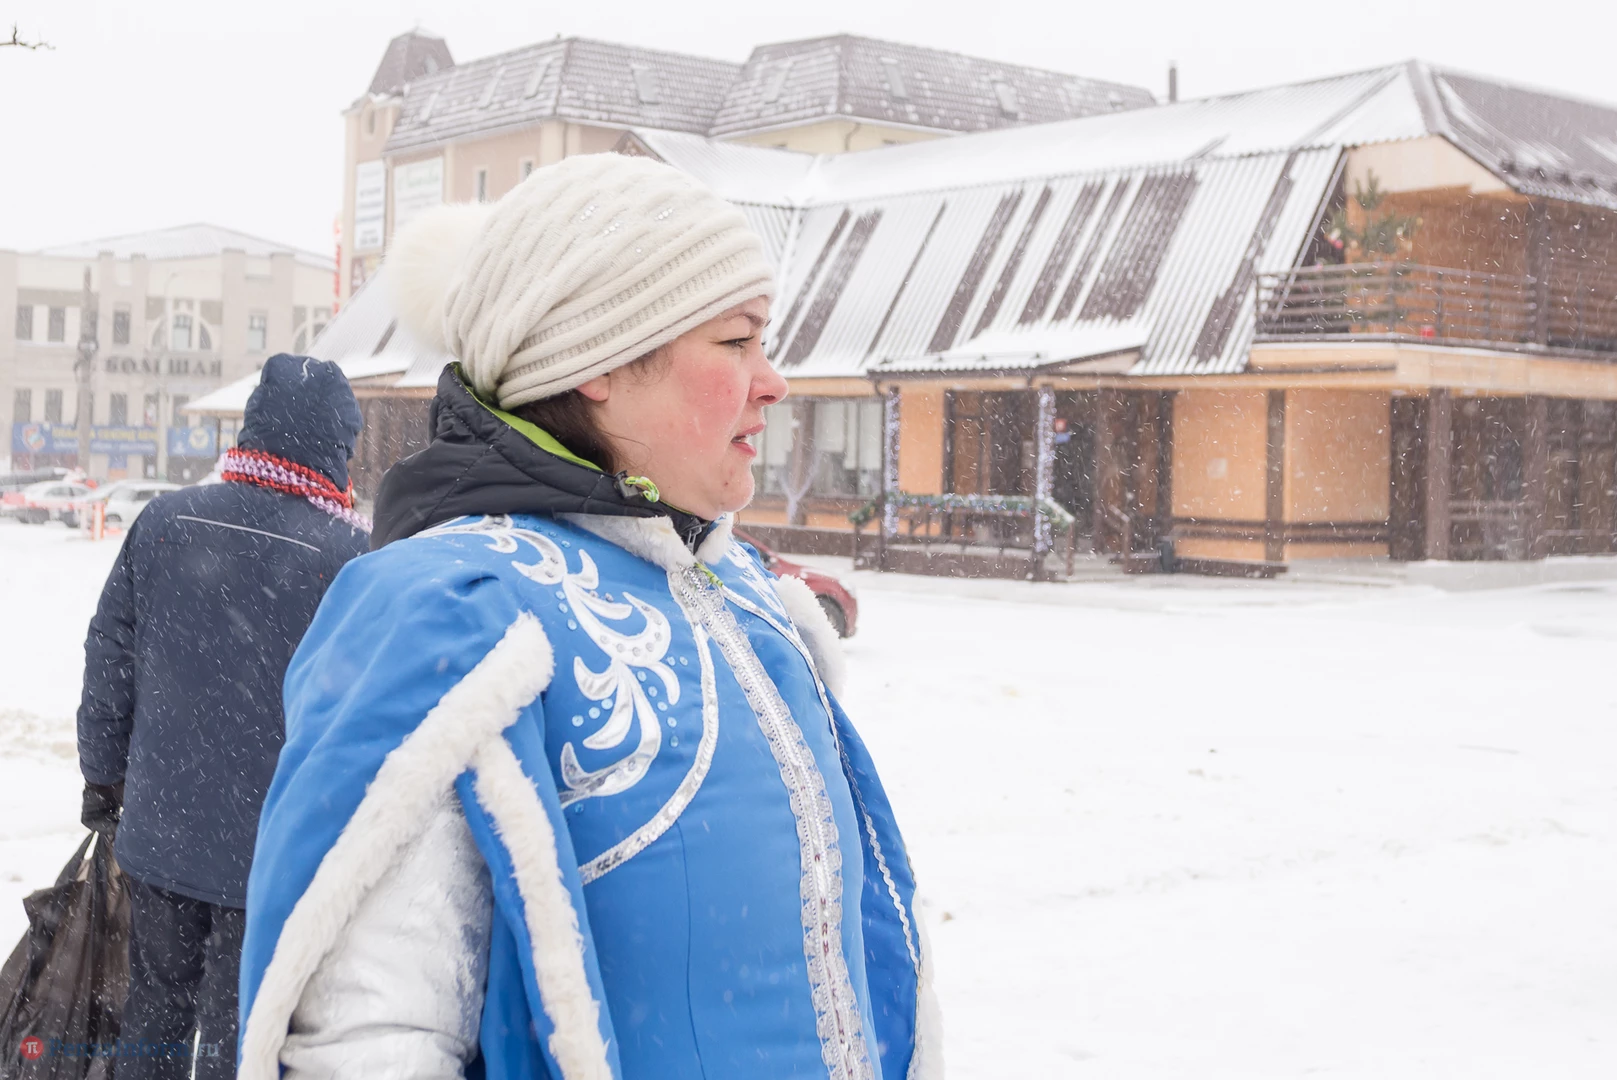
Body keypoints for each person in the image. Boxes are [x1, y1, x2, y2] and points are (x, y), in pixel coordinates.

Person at [238, 153, 941, 1080]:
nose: (772, 382)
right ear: (600, 360)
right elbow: (368, 1041)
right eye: (736, 341)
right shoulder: (457, 610)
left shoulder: (752, 599)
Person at [76, 355, 368, 1079]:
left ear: (252, 426)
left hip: (161, 834)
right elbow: (364, 715)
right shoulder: (351, 559)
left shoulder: (165, 523)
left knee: (153, 1013)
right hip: (275, 855)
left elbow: (109, 656)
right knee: (243, 1034)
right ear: (337, 443)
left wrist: (102, 777)